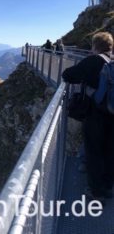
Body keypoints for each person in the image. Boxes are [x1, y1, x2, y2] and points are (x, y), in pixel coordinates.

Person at [63, 32, 114, 200]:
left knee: (94, 151)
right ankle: (108, 185)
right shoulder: (112, 61)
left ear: (95, 46)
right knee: (109, 151)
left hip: (96, 115)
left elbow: (68, 75)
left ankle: (96, 191)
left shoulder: (94, 60)